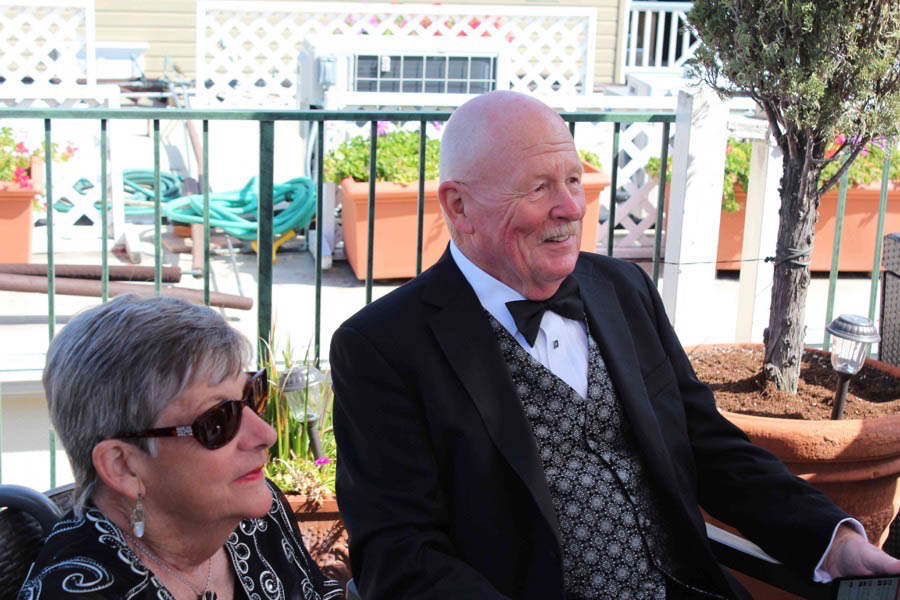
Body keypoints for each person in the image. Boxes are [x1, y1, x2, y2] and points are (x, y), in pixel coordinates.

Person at [330, 90, 900, 599]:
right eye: (539, 188)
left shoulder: (621, 289)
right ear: (458, 207)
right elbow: (399, 554)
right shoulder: (381, 347)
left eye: (574, 180)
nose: (572, 208)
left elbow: (708, 445)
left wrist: (832, 538)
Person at [19, 295, 343, 600]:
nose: (266, 434)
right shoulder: (80, 590)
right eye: (218, 420)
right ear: (124, 467)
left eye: (251, 396)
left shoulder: (254, 516)